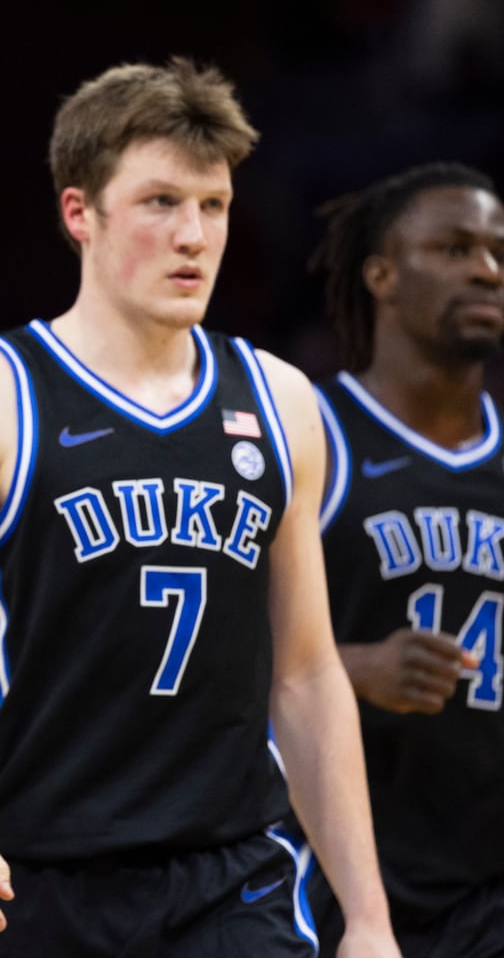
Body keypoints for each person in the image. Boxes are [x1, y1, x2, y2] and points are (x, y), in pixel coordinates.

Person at [0, 57, 403, 957]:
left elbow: (305, 672)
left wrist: (367, 918)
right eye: (161, 203)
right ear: (79, 214)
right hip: (26, 875)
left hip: (230, 877)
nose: (195, 235)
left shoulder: (283, 402)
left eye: (213, 206)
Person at [301, 161, 504, 957]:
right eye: (454, 247)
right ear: (380, 274)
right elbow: (200, 649)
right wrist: (351, 668)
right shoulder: (309, 432)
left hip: (487, 888)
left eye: (496, 249)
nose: (487, 267)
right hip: (330, 882)